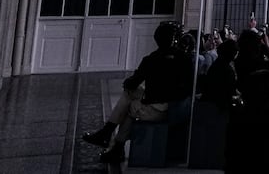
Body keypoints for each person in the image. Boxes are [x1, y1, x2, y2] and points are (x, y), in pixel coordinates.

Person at [80, 21, 195, 164]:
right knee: (131, 96)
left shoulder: (151, 59)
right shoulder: (185, 59)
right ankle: (112, 141)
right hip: (175, 106)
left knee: (130, 104)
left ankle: (112, 139)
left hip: (160, 108)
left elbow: (132, 82)